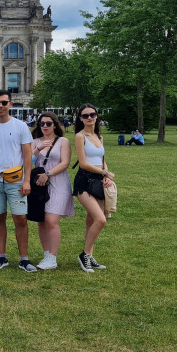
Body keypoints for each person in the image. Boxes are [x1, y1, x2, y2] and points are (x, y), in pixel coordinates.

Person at [0, 90, 36, 272]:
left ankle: (24, 259)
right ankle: (1, 256)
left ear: (11, 104)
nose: (1, 106)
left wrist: (27, 181)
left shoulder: (21, 127)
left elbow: (28, 156)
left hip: (16, 180)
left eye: (4, 103)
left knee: (20, 218)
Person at [72, 104, 115, 272]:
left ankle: (89, 255)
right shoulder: (79, 136)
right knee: (100, 220)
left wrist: (105, 174)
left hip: (98, 181)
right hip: (84, 181)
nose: (89, 117)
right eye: (85, 115)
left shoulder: (99, 136)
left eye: (92, 114)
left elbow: (102, 159)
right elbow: (83, 163)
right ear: (80, 118)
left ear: (97, 116)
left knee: (91, 221)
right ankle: (84, 255)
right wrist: (103, 171)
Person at [30, 111, 74, 270]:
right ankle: (47, 255)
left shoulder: (63, 141)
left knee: (51, 220)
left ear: (55, 125)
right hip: (39, 186)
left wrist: (48, 174)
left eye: (48, 123)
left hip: (58, 183)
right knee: (41, 221)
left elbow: (65, 163)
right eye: (42, 124)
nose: (45, 126)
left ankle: (53, 258)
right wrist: (38, 149)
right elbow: (29, 162)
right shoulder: (35, 141)